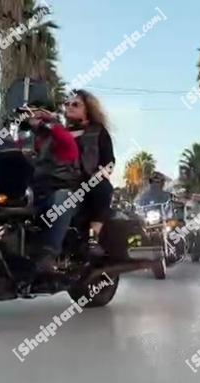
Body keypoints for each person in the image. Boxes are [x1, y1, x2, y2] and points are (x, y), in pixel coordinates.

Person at [21, 101, 83, 274]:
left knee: (62, 198)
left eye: (34, 112)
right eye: (28, 113)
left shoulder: (60, 137)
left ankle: (49, 255)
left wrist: (49, 122)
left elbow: (69, 144)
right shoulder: (29, 140)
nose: (30, 116)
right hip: (34, 194)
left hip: (62, 191)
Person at [65, 89, 114, 257]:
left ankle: (92, 239)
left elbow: (109, 161)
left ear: (88, 109)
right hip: (62, 178)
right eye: (67, 104)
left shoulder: (97, 131)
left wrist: (100, 172)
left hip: (87, 180)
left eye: (75, 104)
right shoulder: (59, 132)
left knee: (102, 189)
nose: (69, 107)